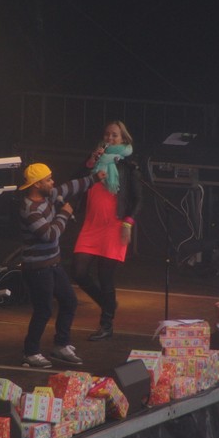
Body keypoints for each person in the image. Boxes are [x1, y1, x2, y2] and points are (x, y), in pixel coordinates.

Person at [17, 162, 105, 368]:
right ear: (37, 184)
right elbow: (50, 234)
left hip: (52, 263)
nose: (52, 182)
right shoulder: (29, 209)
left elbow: (69, 187)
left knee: (69, 301)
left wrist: (94, 178)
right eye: (48, 180)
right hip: (37, 268)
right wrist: (64, 213)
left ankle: (61, 344)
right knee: (43, 310)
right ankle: (30, 352)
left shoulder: (48, 196)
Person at [73, 120, 143, 340]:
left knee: (105, 277)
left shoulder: (128, 164)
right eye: (107, 135)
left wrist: (128, 223)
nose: (109, 139)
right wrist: (91, 161)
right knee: (79, 272)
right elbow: (76, 179)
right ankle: (108, 303)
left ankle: (106, 325)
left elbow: (138, 199)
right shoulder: (95, 158)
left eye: (114, 135)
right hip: (92, 224)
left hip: (115, 226)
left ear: (123, 139)